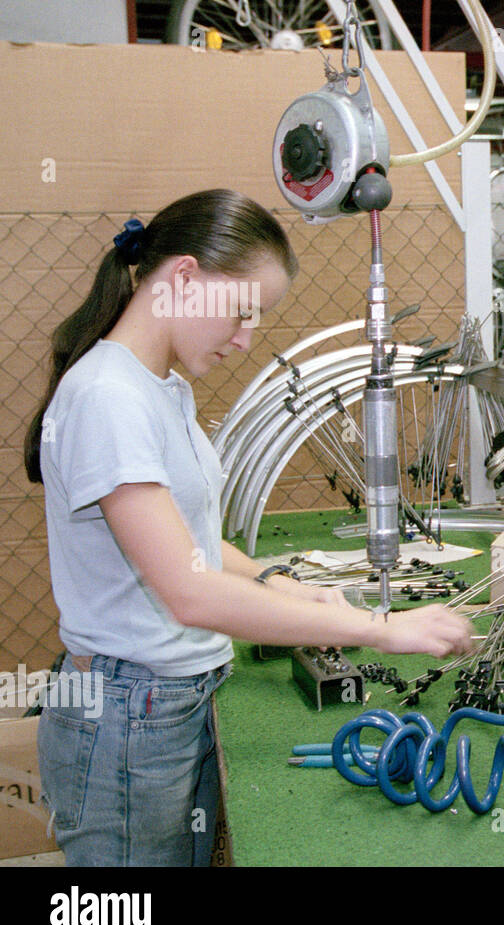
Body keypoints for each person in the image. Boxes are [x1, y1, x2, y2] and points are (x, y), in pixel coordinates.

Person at [25, 189, 474, 866]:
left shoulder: (159, 387)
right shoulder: (107, 397)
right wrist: (381, 629)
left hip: (170, 703)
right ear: (181, 278)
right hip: (126, 718)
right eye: (241, 314)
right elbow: (190, 592)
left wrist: (285, 585)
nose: (244, 339)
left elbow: (195, 543)